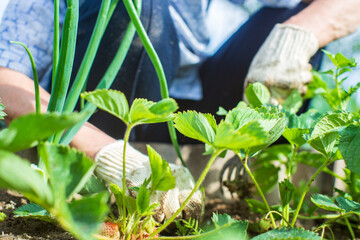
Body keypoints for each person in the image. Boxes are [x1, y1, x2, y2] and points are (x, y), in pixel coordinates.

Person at [0, 0, 360, 222]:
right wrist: (103, 151)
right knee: (139, 11)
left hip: (203, 114)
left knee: (293, 13)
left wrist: (300, 32)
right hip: (105, 126)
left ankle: (248, 188)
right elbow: (5, 78)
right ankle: (98, 194)